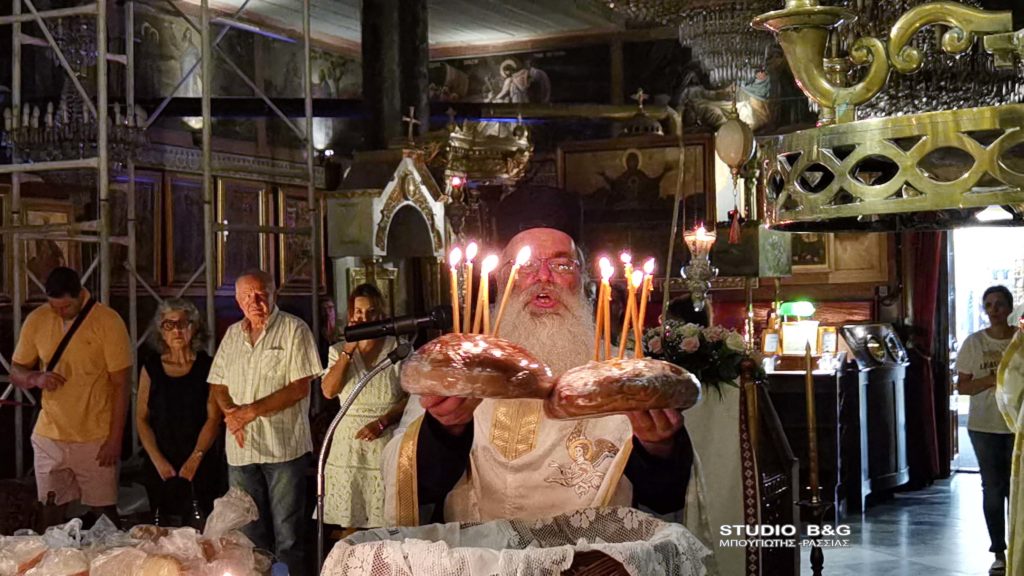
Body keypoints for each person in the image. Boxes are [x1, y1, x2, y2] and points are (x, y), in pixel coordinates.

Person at [383, 189, 696, 528]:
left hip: (593, 552)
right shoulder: (459, 369)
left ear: (583, 280)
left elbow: (666, 498)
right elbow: (416, 486)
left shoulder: (623, 374)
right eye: (526, 264)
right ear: (500, 278)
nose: (544, 277)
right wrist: (445, 430)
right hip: (482, 553)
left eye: (561, 264)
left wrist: (658, 447)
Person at [209, 270, 322, 576]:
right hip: (241, 449)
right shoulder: (233, 335)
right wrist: (232, 413)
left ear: (274, 295)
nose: (255, 302)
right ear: (237, 300)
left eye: (261, 294)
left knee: (288, 535)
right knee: (248, 534)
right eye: (247, 296)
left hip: (283, 448)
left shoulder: (294, 329)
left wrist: (251, 411)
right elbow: (218, 383)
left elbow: (299, 387)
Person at [10, 267, 132, 524]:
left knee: (104, 513)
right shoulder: (37, 320)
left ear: (81, 295)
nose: (59, 312)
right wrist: (35, 378)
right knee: (50, 509)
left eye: (66, 307)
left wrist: (115, 439)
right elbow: (16, 370)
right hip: (49, 434)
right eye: (54, 306)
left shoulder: (108, 322)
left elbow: (121, 385)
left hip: (95, 436)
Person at [320, 284, 409, 529]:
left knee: (386, 522)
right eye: (358, 312)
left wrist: (383, 422)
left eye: (371, 312)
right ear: (351, 315)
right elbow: (328, 391)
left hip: (385, 439)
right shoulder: (337, 350)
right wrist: (348, 352)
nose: (364, 318)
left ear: (380, 314)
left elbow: (413, 397)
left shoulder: (398, 348)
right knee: (349, 522)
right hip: (348, 448)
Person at [137, 299, 225, 524]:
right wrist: (157, 460)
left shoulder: (208, 366)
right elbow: (141, 418)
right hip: (160, 460)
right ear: (161, 331)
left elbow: (214, 418)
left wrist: (195, 458)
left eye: (183, 324)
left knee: (201, 530)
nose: (176, 330)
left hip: (200, 461)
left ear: (194, 328)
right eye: (169, 325)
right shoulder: (151, 366)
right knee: (161, 531)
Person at [958, 285, 1017, 575]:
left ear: (1009, 308)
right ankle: (999, 551)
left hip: (1017, 426)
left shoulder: (1019, 341)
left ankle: (1019, 548)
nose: (994, 310)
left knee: (1017, 490)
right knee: (993, 488)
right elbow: (963, 386)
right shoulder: (974, 343)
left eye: (999, 304)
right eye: (989, 305)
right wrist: (993, 379)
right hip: (984, 426)